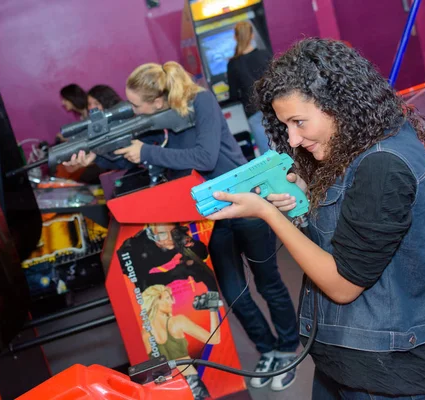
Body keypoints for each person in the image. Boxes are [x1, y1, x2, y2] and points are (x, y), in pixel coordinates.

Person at [207, 38, 425, 399]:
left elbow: (342, 284)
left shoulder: (382, 165)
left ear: (340, 105)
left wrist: (269, 215)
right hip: (345, 352)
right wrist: (306, 195)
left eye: (299, 122)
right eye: (286, 125)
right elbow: (345, 227)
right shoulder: (358, 144)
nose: (293, 138)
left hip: (380, 364)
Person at [65, 61, 301, 392]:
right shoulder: (154, 120)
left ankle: (288, 350)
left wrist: (144, 150)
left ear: (158, 101)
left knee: (268, 283)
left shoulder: (199, 102)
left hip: (247, 201)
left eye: (135, 105)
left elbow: (203, 157)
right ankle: (267, 349)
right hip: (209, 216)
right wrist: (93, 158)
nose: (131, 110)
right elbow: (130, 156)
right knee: (234, 292)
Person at [142, 284, 220, 400]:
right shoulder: (177, 322)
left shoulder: (145, 334)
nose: (172, 302)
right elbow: (214, 339)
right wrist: (213, 309)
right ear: (156, 302)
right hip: (191, 382)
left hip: (166, 387)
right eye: (167, 298)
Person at [117, 223, 217, 292]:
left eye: (172, 232)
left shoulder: (175, 235)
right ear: (153, 236)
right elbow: (139, 285)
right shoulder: (133, 248)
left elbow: (203, 253)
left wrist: (192, 244)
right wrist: (173, 274)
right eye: (163, 234)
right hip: (122, 278)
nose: (170, 238)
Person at [227, 21, 273, 153]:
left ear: (235, 38)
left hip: (253, 111)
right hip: (273, 107)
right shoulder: (265, 54)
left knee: (269, 157)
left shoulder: (233, 64)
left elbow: (233, 95)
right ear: (252, 35)